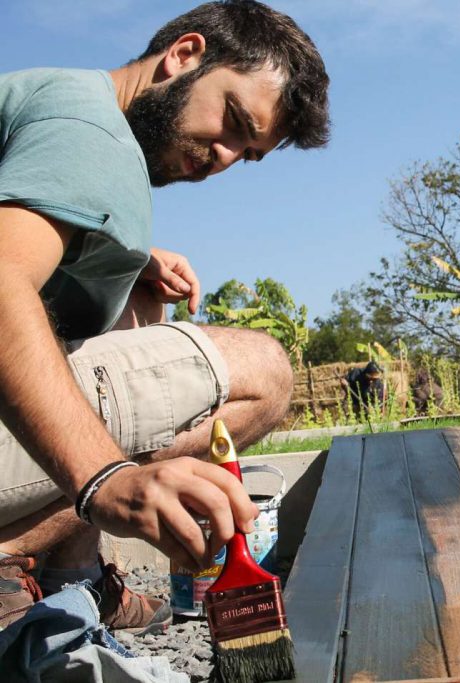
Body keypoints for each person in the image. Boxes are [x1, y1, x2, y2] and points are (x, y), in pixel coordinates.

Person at [0, 0, 330, 635]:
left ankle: (75, 574)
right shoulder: (89, 132)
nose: (227, 157)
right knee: (261, 371)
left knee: (138, 307)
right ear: (183, 56)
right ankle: (14, 554)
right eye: (234, 119)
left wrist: (129, 260)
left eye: (249, 152)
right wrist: (107, 478)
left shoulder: (66, 105)